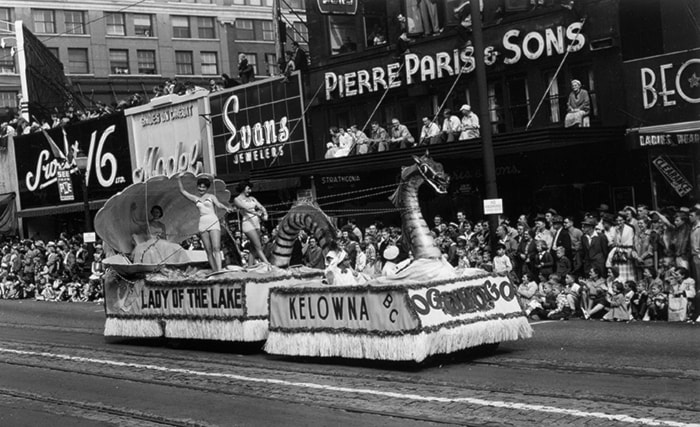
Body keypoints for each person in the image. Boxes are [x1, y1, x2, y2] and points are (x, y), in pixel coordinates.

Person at [178, 175, 232, 272]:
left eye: (204, 187)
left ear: (207, 188)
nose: (201, 189)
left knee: (216, 247)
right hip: (202, 223)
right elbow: (183, 192)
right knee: (208, 250)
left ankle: (219, 270)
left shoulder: (211, 196)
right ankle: (214, 270)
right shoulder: (195, 198)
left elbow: (218, 204)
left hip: (213, 221)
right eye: (200, 186)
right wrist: (178, 179)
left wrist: (225, 208)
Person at [232, 180, 270, 267]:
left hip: (256, 223)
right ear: (243, 188)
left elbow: (261, 207)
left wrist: (265, 214)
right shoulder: (237, 199)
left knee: (253, 248)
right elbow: (246, 209)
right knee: (258, 246)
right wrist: (257, 213)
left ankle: (249, 266)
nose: (250, 191)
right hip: (247, 224)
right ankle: (267, 263)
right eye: (248, 189)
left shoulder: (252, 198)